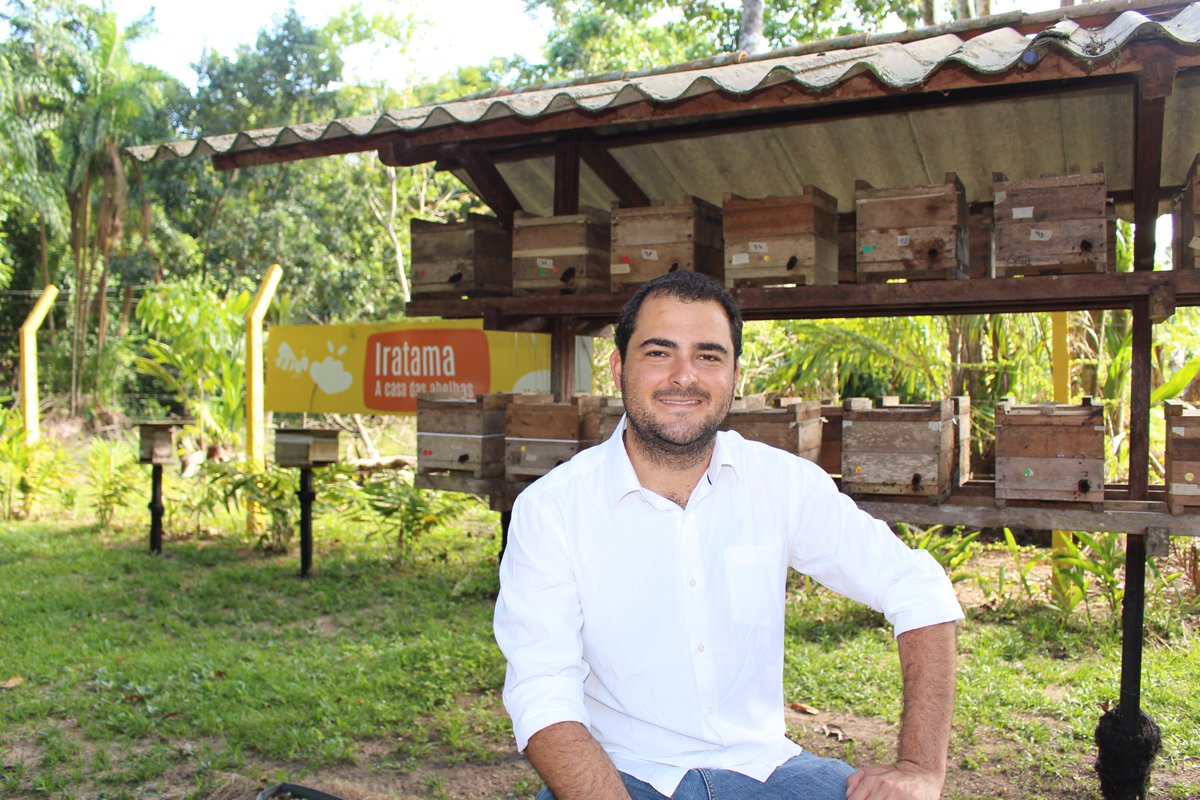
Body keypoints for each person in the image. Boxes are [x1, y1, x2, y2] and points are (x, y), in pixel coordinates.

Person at [493, 270, 964, 800]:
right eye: (659, 352)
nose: (684, 376)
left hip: (768, 772)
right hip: (617, 774)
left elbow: (916, 587)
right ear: (619, 366)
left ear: (735, 374)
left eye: (709, 356)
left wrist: (920, 766)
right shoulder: (553, 508)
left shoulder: (780, 482)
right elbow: (543, 692)